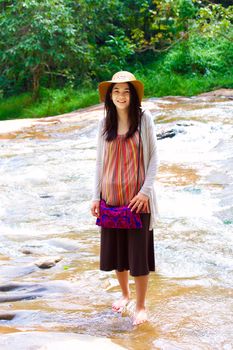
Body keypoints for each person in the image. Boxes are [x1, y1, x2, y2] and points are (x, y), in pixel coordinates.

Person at [91, 71, 158, 326]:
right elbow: (99, 162)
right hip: (110, 199)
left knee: (138, 257)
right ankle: (125, 295)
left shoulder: (144, 119)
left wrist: (145, 192)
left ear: (133, 95)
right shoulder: (103, 123)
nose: (121, 96)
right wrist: (95, 197)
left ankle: (141, 306)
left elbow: (154, 158)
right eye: (116, 91)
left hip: (137, 201)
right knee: (119, 255)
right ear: (110, 95)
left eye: (126, 91)